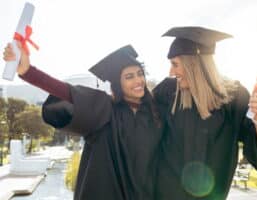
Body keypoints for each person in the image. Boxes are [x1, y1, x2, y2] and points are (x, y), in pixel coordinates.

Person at [3, 44, 163, 200]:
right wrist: (29, 72)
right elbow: (67, 92)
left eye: (140, 73)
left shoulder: (154, 112)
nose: (138, 80)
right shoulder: (105, 110)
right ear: (117, 83)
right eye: (129, 76)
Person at [153, 26, 257, 200]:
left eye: (175, 64)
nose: (171, 72)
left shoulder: (234, 98)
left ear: (194, 64)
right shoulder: (167, 92)